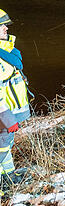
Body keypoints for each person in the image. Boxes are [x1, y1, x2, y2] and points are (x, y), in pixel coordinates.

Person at [0, 9, 31, 184]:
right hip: (3, 115)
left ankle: (8, 177)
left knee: (5, 144)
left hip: (7, 113)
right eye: (1, 26)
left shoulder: (5, 52)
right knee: (2, 147)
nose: (6, 28)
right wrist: (8, 118)